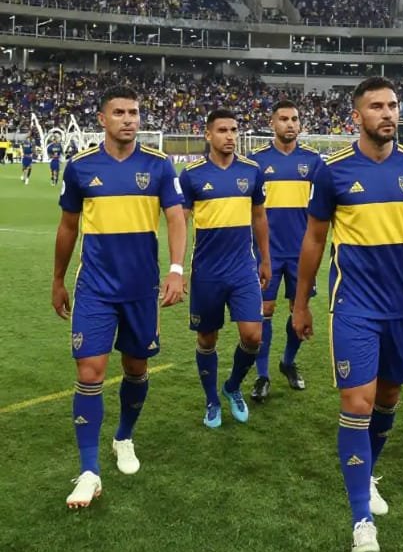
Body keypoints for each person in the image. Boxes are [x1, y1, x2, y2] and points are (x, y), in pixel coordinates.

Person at [293, 76, 403, 552]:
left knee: (388, 397)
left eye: (393, 105)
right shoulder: (333, 171)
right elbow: (315, 241)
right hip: (354, 306)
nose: (388, 114)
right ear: (357, 116)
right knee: (358, 403)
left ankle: (367, 474)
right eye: (377, 106)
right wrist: (301, 302)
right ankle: (361, 517)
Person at [52, 85, 186, 509]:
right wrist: (58, 279)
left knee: (135, 366)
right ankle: (89, 471)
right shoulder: (79, 168)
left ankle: (123, 437)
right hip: (94, 288)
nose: (129, 119)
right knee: (90, 372)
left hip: (140, 289)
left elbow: (176, 219)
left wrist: (177, 270)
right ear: (102, 119)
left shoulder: (160, 166)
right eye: (120, 112)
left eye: (134, 112)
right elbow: (68, 227)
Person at [179, 109, 271, 428]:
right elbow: (181, 222)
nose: (230, 135)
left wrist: (266, 259)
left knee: (253, 335)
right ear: (208, 135)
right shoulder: (191, 175)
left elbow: (259, 216)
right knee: (207, 339)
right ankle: (211, 400)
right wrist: (178, 267)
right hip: (206, 272)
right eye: (222, 130)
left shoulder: (252, 171)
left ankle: (232, 387)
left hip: (243, 269)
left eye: (234, 129)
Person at [248, 100, 323, 402]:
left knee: (298, 309)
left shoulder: (314, 162)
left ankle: (288, 362)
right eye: (283, 119)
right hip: (267, 252)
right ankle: (263, 375)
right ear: (272, 123)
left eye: (294, 119)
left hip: (302, 252)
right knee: (264, 311)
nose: (290, 124)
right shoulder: (256, 162)